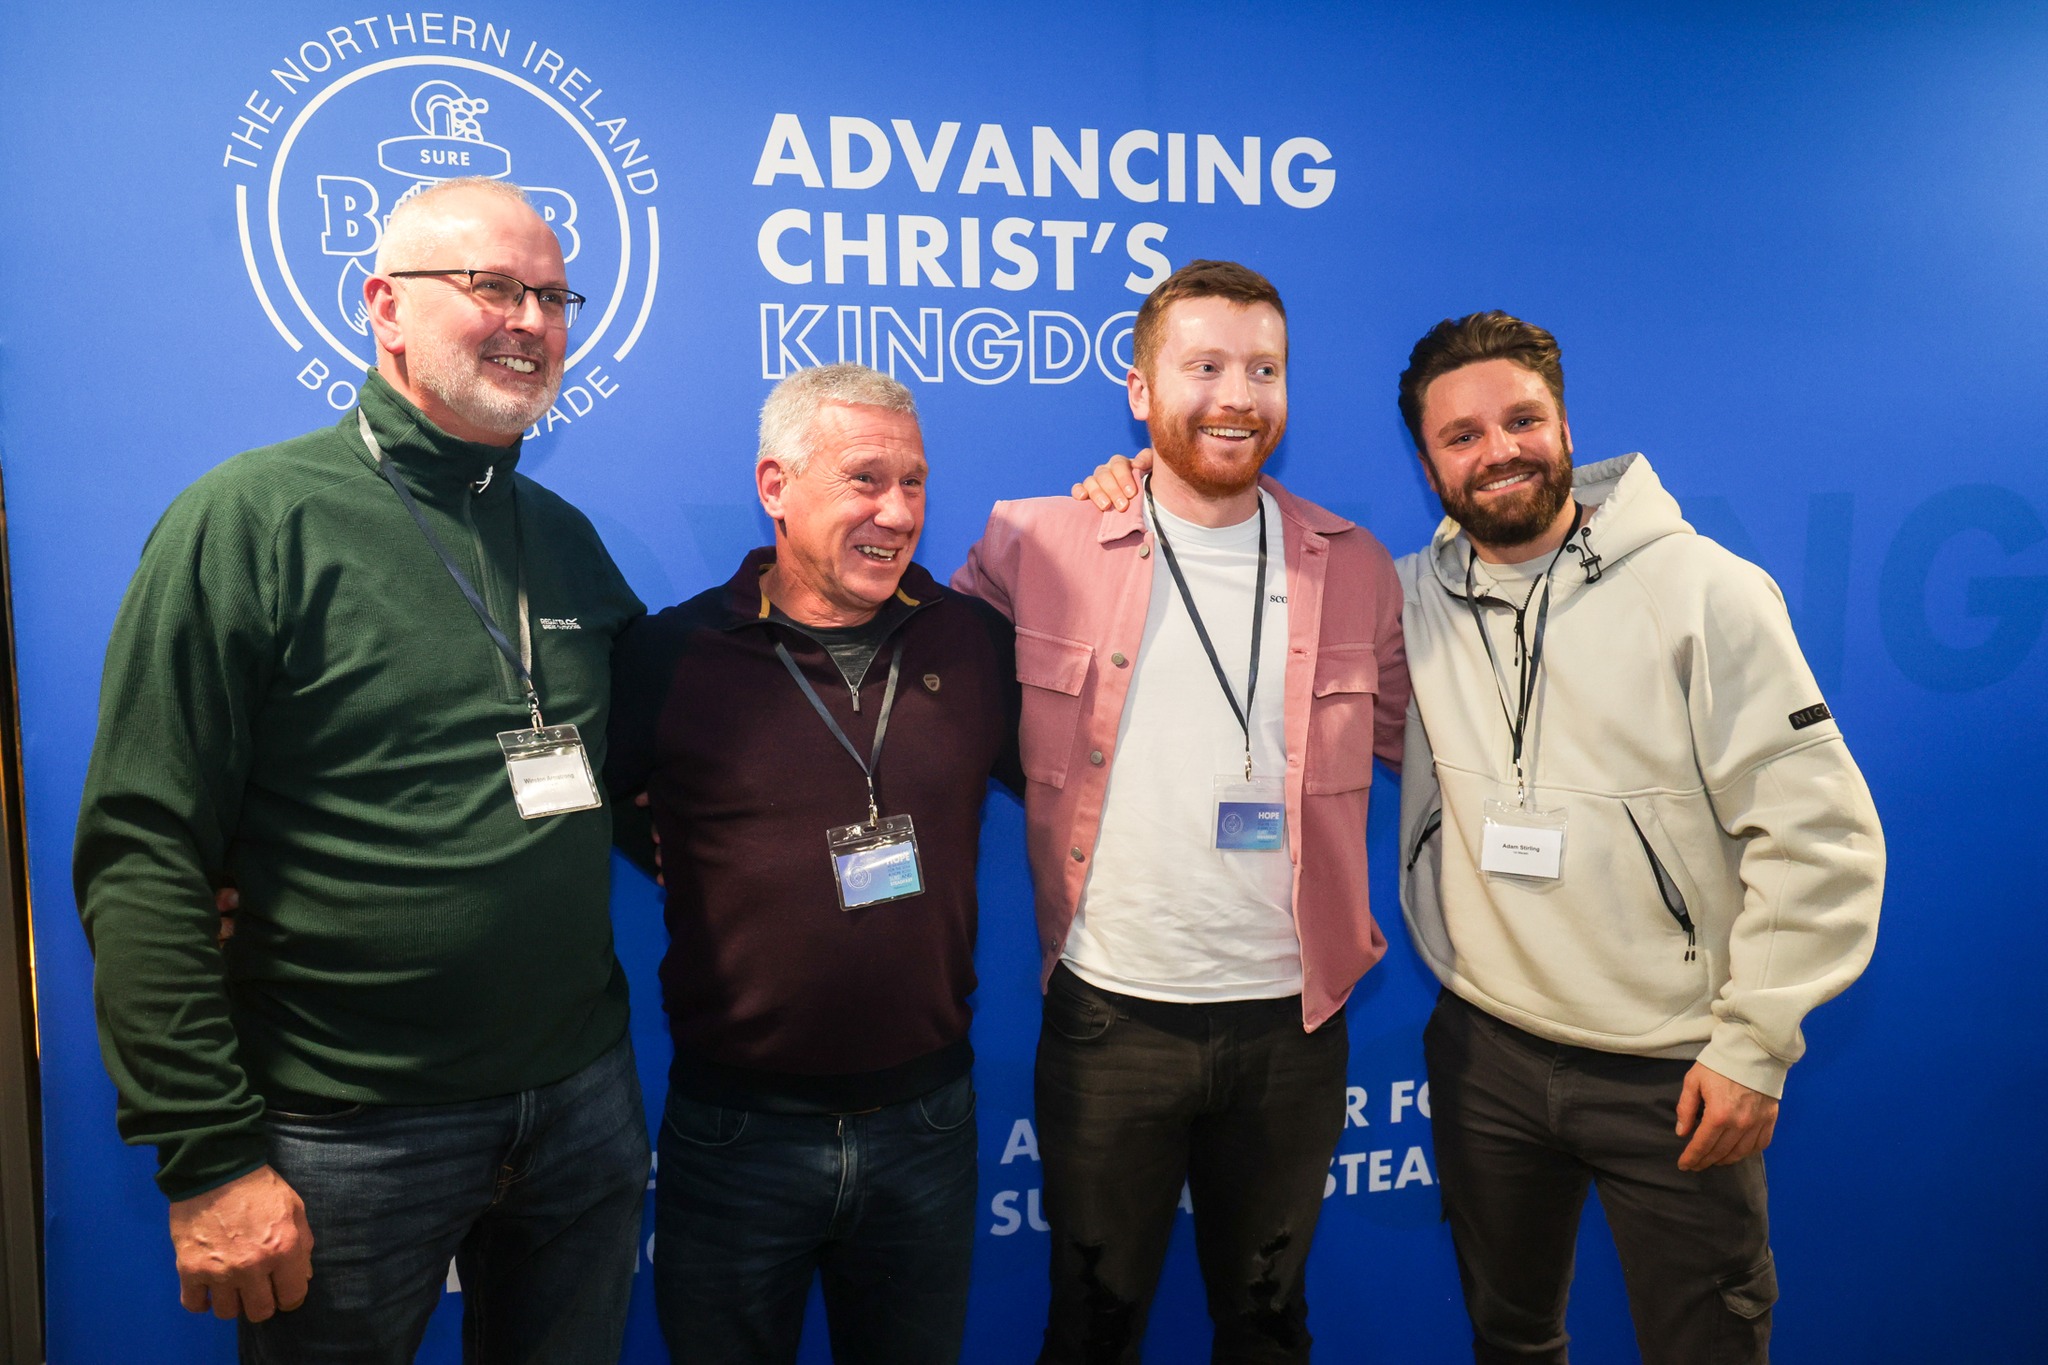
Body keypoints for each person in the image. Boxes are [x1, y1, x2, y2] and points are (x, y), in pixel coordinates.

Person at [1075, 309, 1885, 1364]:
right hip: (1483, 1054)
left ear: (1562, 425)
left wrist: (1753, 1044)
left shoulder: (1703, 594)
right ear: (1426, 463)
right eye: (1460, 437)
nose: (1496, 452)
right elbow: (1231, 557)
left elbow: (1816, 834)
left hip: (1671, 1068)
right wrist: (1141, 484)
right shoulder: (1406, 597)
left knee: (1705, 1349)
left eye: (1520, 421)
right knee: (1508, 1339)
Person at [73, 176, 650, 1364]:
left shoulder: (566, 540)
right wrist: (208, 1155)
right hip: (346, 1128)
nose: (531, 319)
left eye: (551, 294)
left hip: (583, 1099)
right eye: (491, 285)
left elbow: (654, 773)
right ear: (385, 306)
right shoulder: (249, 520)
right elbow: (143, 852)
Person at [957, 260, 1410, 1364]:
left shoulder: (1353, 569)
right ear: (1138, 388)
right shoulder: (1038, 543)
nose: (1235, 395)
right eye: (1202, 366)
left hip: (1291, 1029)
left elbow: (1438, 746)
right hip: (1113, 1020)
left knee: (1265, 1327)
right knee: (1090, 1328)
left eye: (1263, 369)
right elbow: (935, 705)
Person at [604, 363, 1021, 1365]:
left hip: (927, 1126)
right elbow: (604, 802)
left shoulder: (970, 642)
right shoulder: (673, 655)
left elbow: (1084, 777)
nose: (896, 511)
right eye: (864, 479)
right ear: (776, 485)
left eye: (913, 482)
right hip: (736, 1136)